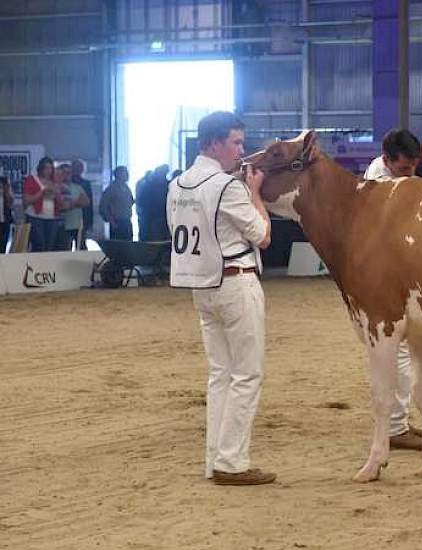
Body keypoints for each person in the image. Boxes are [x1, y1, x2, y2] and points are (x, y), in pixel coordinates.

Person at [168, 111, 274, 486]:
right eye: (236, 142)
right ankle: (232, 462)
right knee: (247, 374)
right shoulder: (228, 187)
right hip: (235, 281)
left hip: (202, 286)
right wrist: (255, 193)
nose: (241, 151)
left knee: (220, 375)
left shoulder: (178, 184)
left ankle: (216, 459)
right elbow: (262, 235)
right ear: (214, 143)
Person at [363, 128, 422, 450]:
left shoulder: (395, 177)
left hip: (395, 271)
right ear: (387, 161)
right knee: (395, 349)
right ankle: (396, 427)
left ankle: (399, 423)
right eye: (404, 168)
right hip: (383, 274)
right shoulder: (379, 184)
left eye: (414, 166)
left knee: (403, 348)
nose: (410, 172)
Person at [22, 157, 67, 252]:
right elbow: (26, 200)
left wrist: (57, 193)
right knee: (39, 244)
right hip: (35, 217)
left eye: (50, 168)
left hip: (51, 218)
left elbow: (61, 203)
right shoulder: (32, 179)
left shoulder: (55, 183)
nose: (48, 171)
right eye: (46, 168)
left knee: (49, 246)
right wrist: (42, 192)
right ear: (40, 168)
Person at [99, 166, 135, 241]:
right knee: (118, 246)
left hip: (127, 221)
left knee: (128, 244)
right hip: (117, 222)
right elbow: (103, 206)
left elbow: (130, 201)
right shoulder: (111, 189)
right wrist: (111, 220)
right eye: (125, 172)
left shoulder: (126, 188)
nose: (127, 175)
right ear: (118, 174)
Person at [60, 163, 90, 250]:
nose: (67, 175)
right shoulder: (57, 187)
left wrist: (71, 204)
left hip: (77, 224)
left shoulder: (77, 187)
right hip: (63, 225)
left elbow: (86, 202)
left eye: (69, 173)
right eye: (64, 172)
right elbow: (62, 207)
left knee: (81, 249)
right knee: (64, 250)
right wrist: (77, 202)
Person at [70, 159, 94, 249]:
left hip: (83, 218)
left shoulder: (86, 184)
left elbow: (89, 203)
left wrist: (90, 221)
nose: (78, 169)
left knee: (81, 244)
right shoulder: (66, 183)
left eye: (80, 167)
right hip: (68, 218)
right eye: (76, 167)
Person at [0, 175, 12, 253]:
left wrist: (7, 191)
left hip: (5, 223)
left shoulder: (6, 196)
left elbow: (10, 203)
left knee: (3, 247)